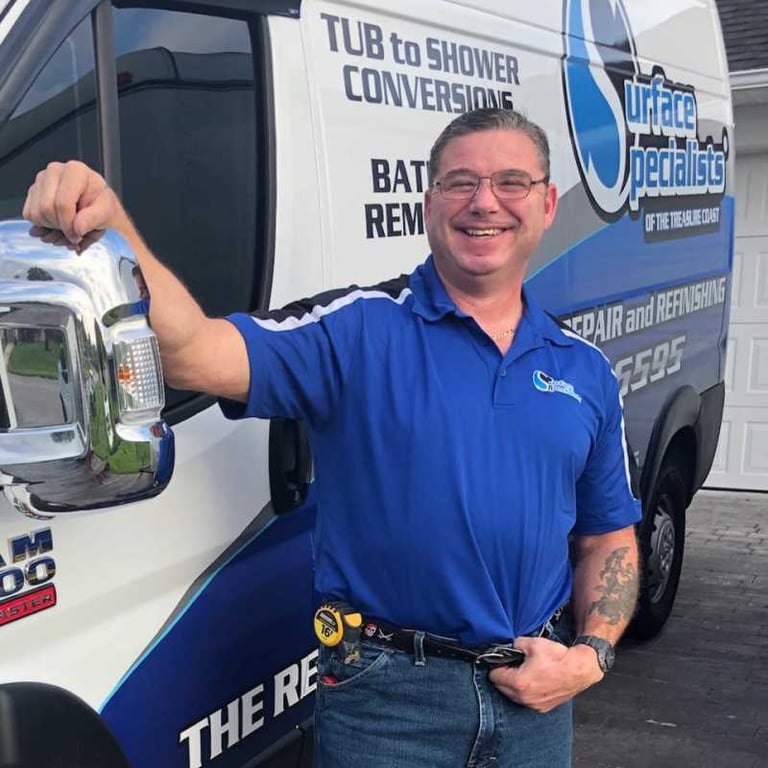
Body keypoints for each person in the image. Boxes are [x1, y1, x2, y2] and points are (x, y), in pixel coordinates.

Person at [24, 108, 641, 767]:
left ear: (547, 204)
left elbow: (609, 538)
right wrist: (111, 227)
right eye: (460, 182)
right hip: (388, 706)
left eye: (511, 182)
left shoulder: (584, 370)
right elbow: (196, 353)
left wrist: (590, 657)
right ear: (429, 205)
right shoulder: (358, 332)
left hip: (535, 702)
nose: (484, 202)